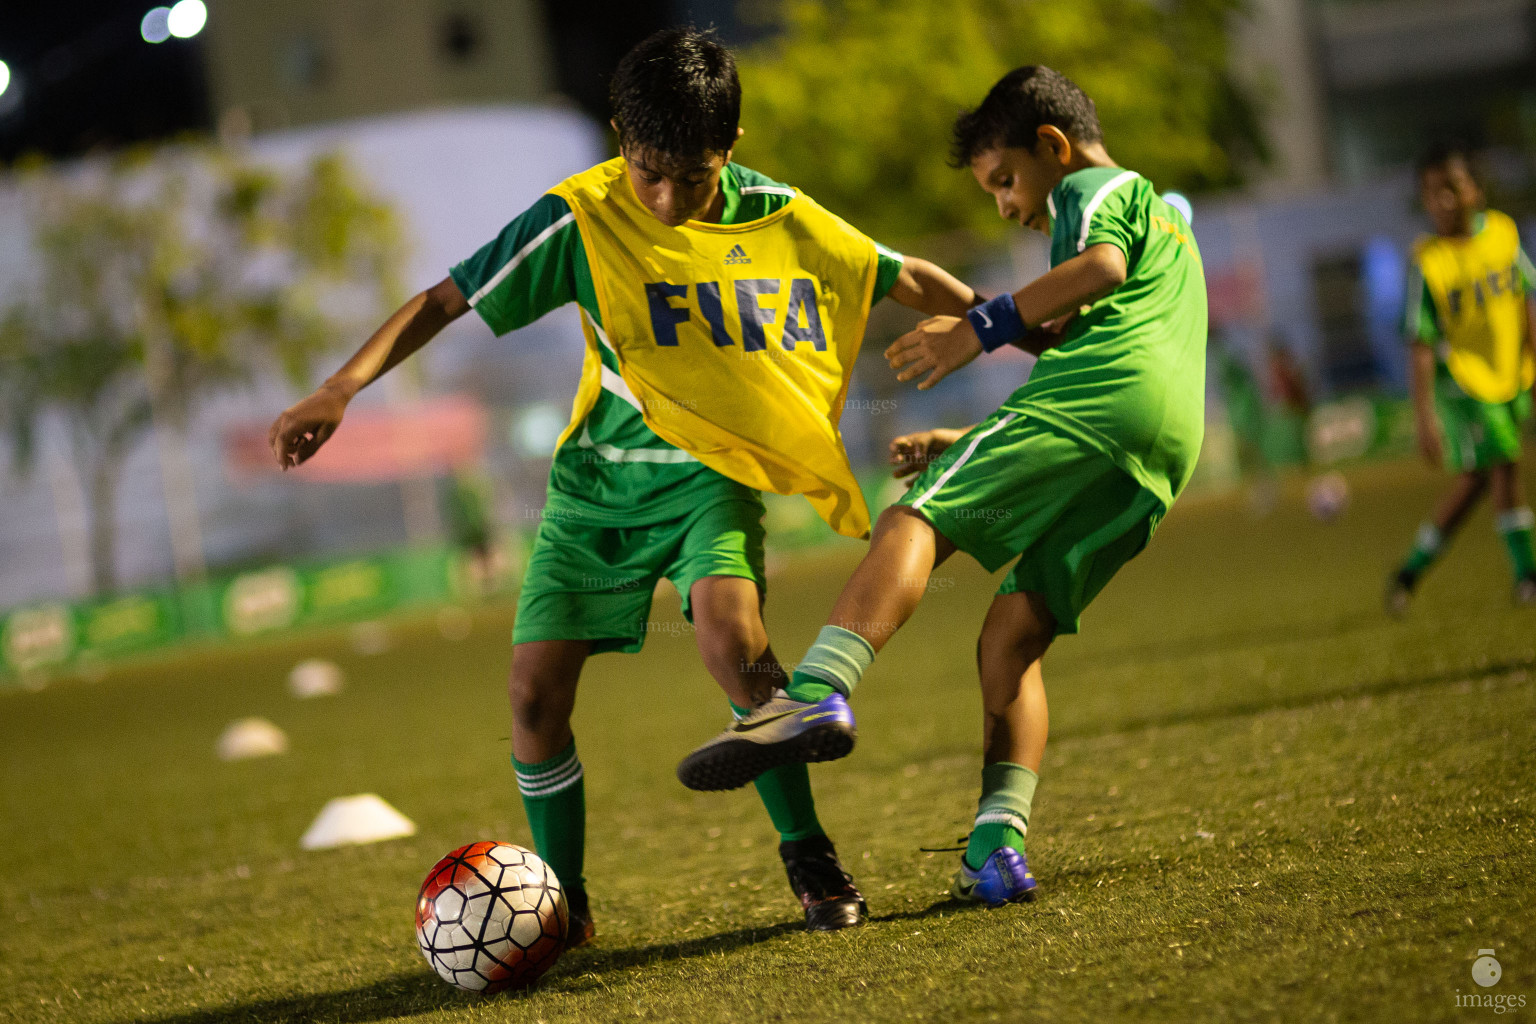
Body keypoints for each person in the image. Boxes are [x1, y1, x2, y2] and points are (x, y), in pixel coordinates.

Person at [268, 27, 980, 939]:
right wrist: (340, 387)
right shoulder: (579, 217)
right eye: (649, 171)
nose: (668, 196)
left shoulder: (774, 213)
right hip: (595, 490)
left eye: (695, 174)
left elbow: (896, 272)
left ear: (732, 150)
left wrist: (1011, 322)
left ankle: (808, 853)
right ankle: (559, 901)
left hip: (707, 480)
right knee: (531, 698)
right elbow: (447, 298)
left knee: (737, 647)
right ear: (617, 140)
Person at [678, 65, 1208, 907]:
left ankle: (811, 696)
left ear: (1052, 146)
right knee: (1010, 635)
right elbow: (1111, 343)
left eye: (1004, 181)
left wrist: (979, 328)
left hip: (1096, 405)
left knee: (910, 522)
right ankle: (996, 850)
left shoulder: (1097, 190)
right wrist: (965, 440)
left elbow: (1100, 271)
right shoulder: (1171, 228)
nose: (1003, 205)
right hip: (1158, 453)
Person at [1386, 143, 1536, 615]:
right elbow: (1420, 343)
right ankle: (1527, 575)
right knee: (1507, 464)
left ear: (1475, 190)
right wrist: (1425, 416)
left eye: (1451, 189)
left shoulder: (1503, 236)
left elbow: (1526, 300)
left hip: (1511, 374)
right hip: (1466, 384)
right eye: (1432, 194)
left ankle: (1409, 571)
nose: (1443, 202)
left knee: (1476, 481)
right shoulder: (1427, 263)